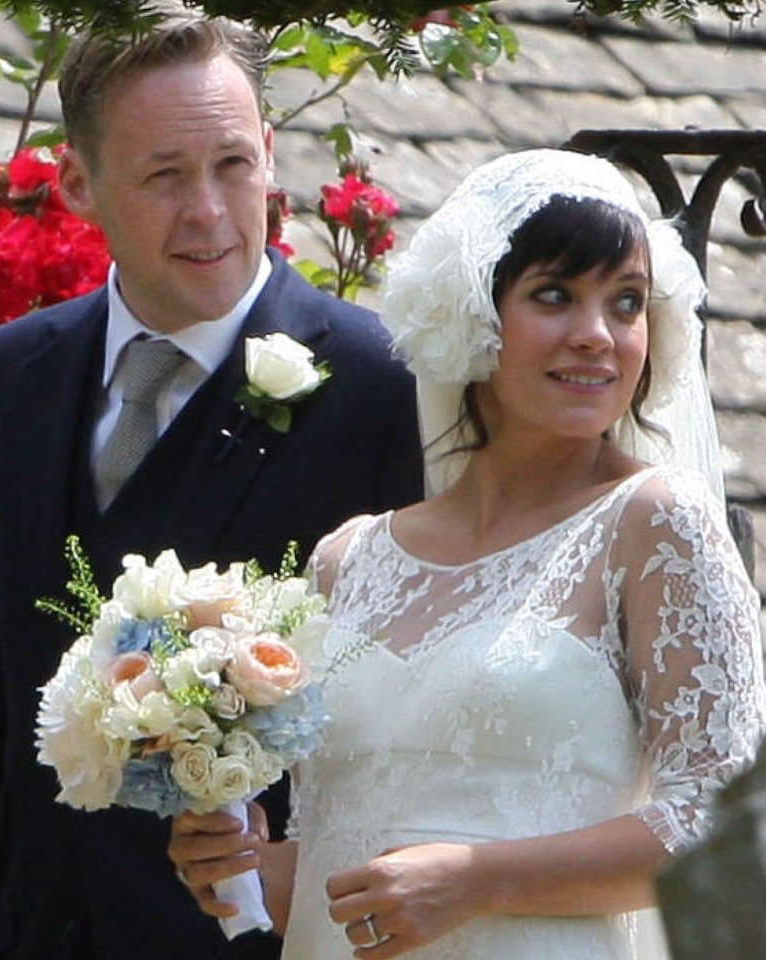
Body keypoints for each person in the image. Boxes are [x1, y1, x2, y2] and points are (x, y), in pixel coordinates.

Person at [167, 148, 766, 960]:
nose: (596, 335)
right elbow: (342, 860)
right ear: (470, 314)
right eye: (554, 295)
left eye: (624, 303)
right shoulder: (348, 560)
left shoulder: (653, 521)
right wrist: (246, 869)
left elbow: (724, 826)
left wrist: (481, 877)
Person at [0, 9, 423, 960]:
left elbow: (413, 727)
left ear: (270, 156)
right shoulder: (1, 380)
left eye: (232, 164)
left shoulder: (378, 389)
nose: (207, 211)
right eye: (164, 174)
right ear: (78, 182)